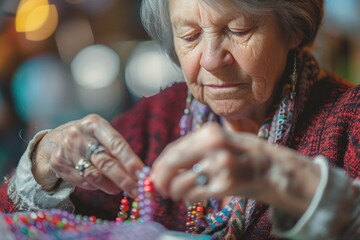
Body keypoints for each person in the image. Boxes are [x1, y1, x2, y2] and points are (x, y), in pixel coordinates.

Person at [0, 0, 359, 239]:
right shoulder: (157, 118)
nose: (211, 60)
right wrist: (46, 161)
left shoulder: (349, 119)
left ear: (293, 28)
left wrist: (282, 179)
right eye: (189, 36)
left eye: (239, 30)